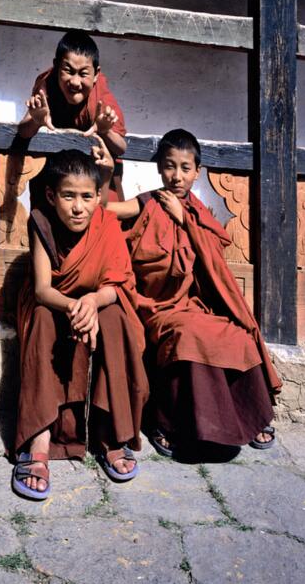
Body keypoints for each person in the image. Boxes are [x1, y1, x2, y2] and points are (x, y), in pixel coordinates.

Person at [95, 129, 282, 457]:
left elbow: (214, 267)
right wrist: (106, 173)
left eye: (185, 168)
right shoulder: (147, 203)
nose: (176, 176)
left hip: (193, 304)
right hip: (156, 307)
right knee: (187, 335)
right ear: (159, 168)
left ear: (197, 172)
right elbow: (105, 209)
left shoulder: (198, 212)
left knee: (237, 334)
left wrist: (186, 222)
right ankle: (167, 423)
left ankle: (249, 416)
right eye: (169, 166)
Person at [11, 149, 149, 500]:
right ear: (51, 196)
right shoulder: (40, 222)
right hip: (53, 302)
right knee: (42, 319)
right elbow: (43, 290)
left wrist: (91, 302)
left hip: (94, 302)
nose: (78, 207)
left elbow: (116, 284)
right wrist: (76, 306)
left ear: (98, 197)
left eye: (87, 196)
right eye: (68, 196)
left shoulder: (106, 223)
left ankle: (110, 434)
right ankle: (39, 441)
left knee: (115, 317)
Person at [18, 30, 127, 200]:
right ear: (56, 67)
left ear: (96, 74)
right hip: (55, 172)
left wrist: (105, 131)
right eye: (68, 71)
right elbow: (24, 132)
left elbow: (121, 147)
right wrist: (37, 121)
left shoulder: (100, 98)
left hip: (94, 174)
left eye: (83, 74)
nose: (75, 82)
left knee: (105, 216)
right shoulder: (47, 86)